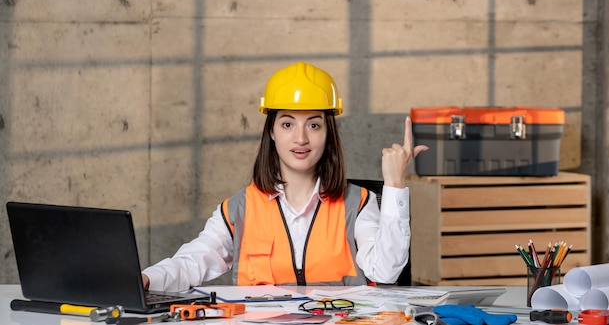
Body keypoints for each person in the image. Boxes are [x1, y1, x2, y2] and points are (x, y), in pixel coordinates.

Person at [142, 61, 428, 291]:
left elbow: (387, 272)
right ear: (272, 131)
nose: (300, 138)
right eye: (288, 123)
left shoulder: (358, 203)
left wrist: (393, 186)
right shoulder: (238, 209)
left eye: (314, 125)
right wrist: (143, 280)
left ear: (328, 134)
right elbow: (191, 262)